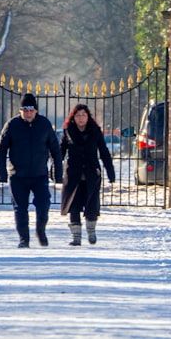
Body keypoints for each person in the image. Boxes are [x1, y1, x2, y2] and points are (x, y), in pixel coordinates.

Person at [0, 93, 63, 248]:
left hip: (39, 175)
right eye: (25, 110)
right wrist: (2, 174)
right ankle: (24, 239)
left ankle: (40, 230)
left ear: (36, 110)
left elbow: (55, 150)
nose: (28, 113)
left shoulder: (44, 124)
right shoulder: (12, 125)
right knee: (20, 208)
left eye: (31, 110)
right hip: (17, 175)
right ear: (20, 111)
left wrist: (57, 174)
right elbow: (1, 149)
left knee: (44, 204)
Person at [59, 103, 116, 246]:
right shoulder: (68, 131)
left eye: (83, 115)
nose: (81, 118)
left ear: (88, 116)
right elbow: (60, 152)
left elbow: (103, 152)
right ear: (73, 117)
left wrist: (110, 171)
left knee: (91, 204)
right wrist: (55, 169)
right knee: (74, 205)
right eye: (78, 115)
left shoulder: (95, 131)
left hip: (91, 173)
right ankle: (76, 237)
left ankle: (91, 232)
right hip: (73, 174)